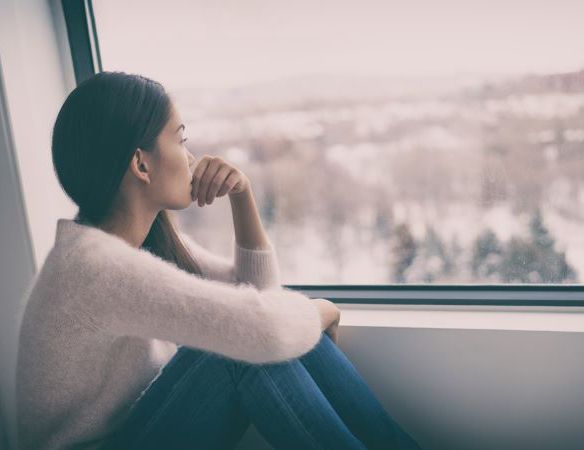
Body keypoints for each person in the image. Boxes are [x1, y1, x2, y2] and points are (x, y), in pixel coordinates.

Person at [16, 71, 421, 450]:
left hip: (141, 428)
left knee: (262, 335)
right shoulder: (94, 267)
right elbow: (263, 330)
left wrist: (242, 197)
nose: (191, 158)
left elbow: (261, 299)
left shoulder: (137, 244)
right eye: (180, 140)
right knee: (242, 345)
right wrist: (323, 310)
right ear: (141, 164)